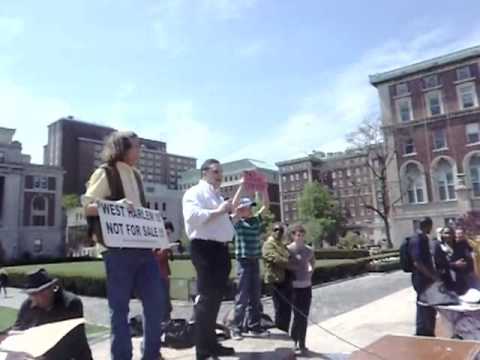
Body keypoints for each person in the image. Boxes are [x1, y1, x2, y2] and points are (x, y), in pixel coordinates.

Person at [82, 131, 166, 360]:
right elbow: (87, 207)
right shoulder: (105, 173)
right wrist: (114, 205)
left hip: (143, 250)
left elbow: (140, 212)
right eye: (135, 146)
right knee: (119, 310)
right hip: (117, 251)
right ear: (121, 148)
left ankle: (151, 354)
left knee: (156, 303)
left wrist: (156, 239)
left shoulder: (137, 176)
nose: (139, 151)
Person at [182, 159, 236, 360]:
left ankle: (212, 344)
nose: (220, 175)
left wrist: (229, 216)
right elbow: (193, 217)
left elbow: (218, 222)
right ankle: (202, 350)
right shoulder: (194, 192)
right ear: (204, 172)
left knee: (215, 300)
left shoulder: (216, 196)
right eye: (216, 171)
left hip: (220, 250)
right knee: (206, 299)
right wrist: (219, 211)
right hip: (205, 249)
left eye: (221, 172)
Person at [11, 268, 92, 360]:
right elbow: (18, 330)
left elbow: (72, 340)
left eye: (42, 292)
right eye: (33, 294)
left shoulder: (70, 303)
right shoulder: (28, 305)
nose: (38, 297)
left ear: (52, 287)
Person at [230, 187, 270, 340]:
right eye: (247, 207)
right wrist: (241, 186)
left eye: (251, 207)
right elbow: (233, 205)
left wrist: (264, 188)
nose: (250, 210)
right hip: (243, 261)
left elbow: (266, 205)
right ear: (241, 209)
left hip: (254, 261)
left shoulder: (255, 221)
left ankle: (254, 327)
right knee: (242, 296)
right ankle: (236, 328)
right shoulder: (238, 223)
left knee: (255, 296)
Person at [287, 224, 315, 355]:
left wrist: (310, 270)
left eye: (302, 235)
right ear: (293, 235)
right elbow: (286, 265)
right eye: (298, 235)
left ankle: (302, 343)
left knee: (304, 316)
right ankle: (293, 343)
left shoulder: (309, 250)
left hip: (306, 286)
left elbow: (313, 262)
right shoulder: (289, 250)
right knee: (297, 316)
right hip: (295, 287)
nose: (300, 237)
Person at [409, 216, 439, 337]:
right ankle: (423, 332)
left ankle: (428, 330)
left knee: (429, 304)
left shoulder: (422, 238)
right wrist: (432, 276)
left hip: (425, 277)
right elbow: (417, 262)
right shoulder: (417, 239)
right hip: (421, 278)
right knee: (423, 304)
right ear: (427, 226)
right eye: (430, 226)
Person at [262, 222, 292, 333]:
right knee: (279, 309)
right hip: (275, 281)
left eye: (281, 230)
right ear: (271, 231)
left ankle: (286, 331)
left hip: (285, 280)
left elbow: (289, 256)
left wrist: (289, 261)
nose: (278, 232)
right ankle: (281, 332)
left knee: (287, 309)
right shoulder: (268, 244)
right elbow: (276, 259)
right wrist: (289, 262)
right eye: (276, 230)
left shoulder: (282, 244)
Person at [153, 220, 176, 321]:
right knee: (163, 302)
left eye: (169, 234)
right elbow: (156, 258)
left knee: (166, 302)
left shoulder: (164, 242)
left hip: (164, 275)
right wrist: (166, 249)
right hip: (158, 275)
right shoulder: (155, 242)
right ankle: (163, 322)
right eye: (167, 233)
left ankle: (167, 321)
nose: (168, 236)